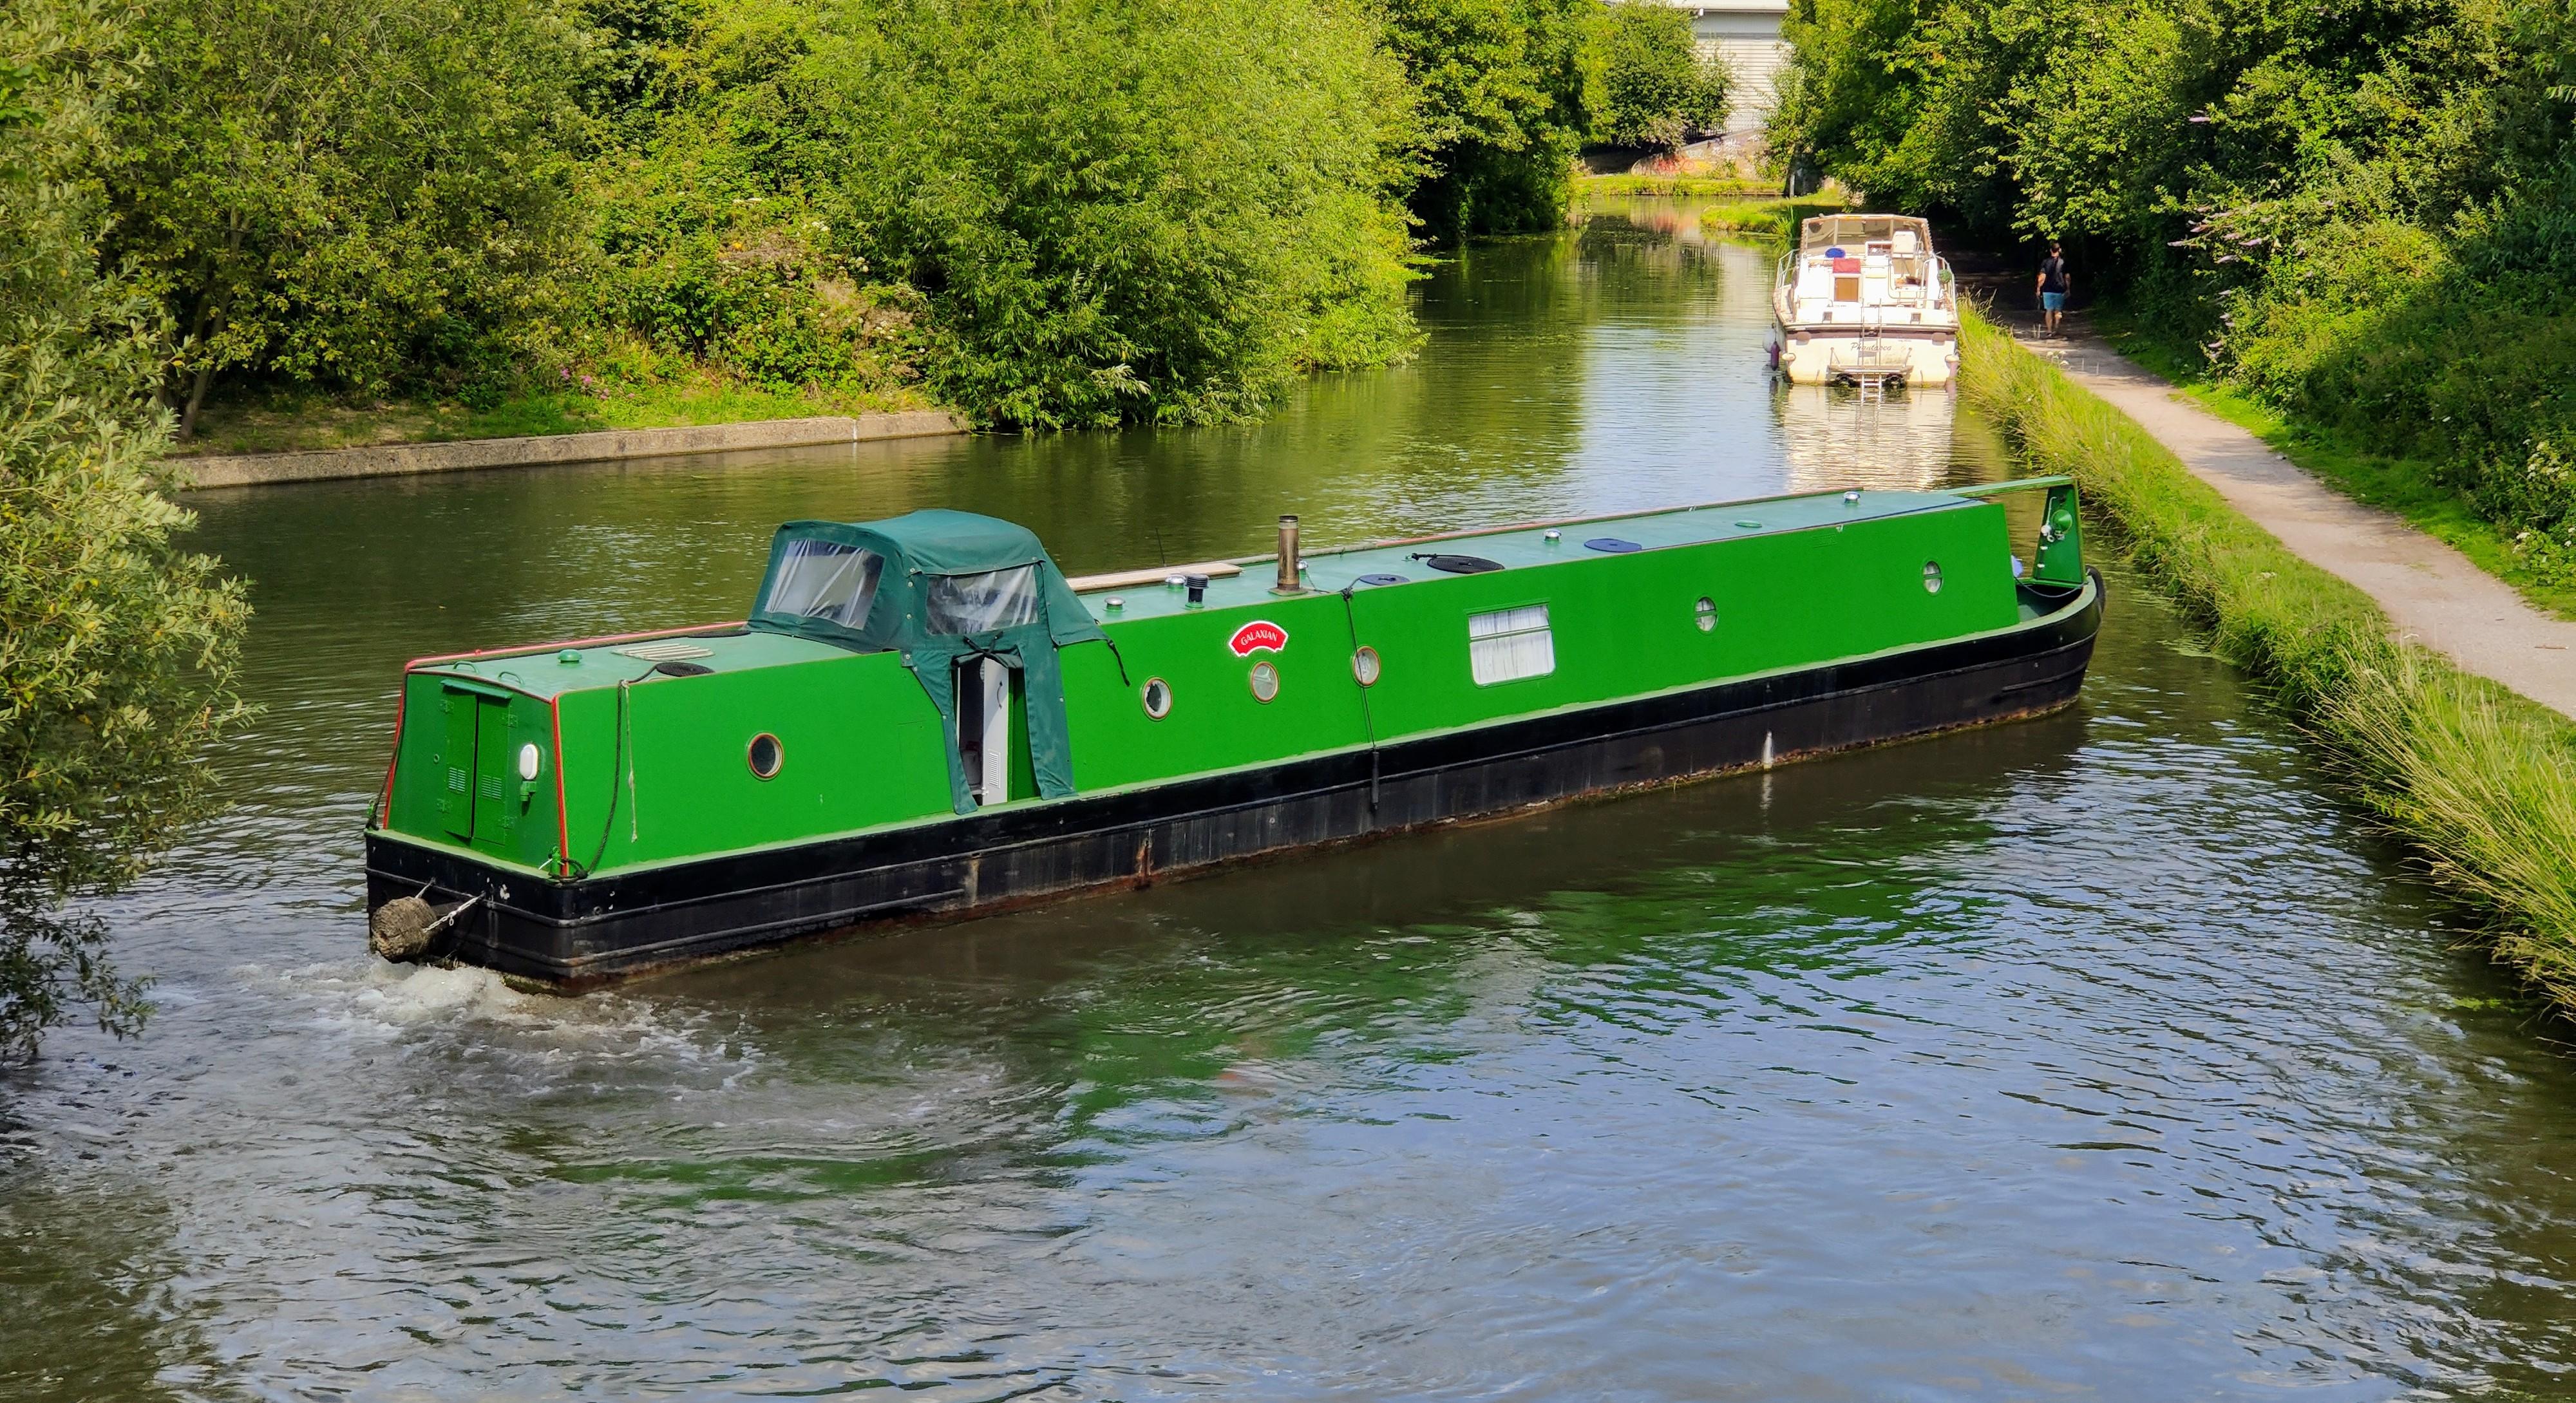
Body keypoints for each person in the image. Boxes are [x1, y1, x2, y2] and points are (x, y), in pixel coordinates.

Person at [2036, 243, 2072, 336]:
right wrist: (2068, 289)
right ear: (2059, 250)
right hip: (2060, 289)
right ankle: (2056, 328)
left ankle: (2049, 331)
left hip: (2047, 290)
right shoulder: (2063, 262)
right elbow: (2067, 277)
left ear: (2051, 250)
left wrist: (2039, 288)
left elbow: (2042, 277)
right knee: (2058, 310)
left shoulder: (2045, 262)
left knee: (2049, 310)